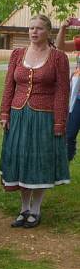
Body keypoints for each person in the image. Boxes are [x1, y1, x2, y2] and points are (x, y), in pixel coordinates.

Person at [0, 14, 70, 228]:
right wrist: (4, 113)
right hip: (19, 114)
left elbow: (62, 92)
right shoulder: (17, 54)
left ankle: (36, 209)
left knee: (38, 162)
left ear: (48, 31)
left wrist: (59, 122)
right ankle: (24, 208)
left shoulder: (58, 58)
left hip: (44, 116)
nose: (34, 32)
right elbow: (9, 86)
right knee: (21, 160)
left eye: (39, 28)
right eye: (31, 28)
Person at [55, 17, 80, 161]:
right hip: (78, 98)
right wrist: (63, 28)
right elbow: (61, 46)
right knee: (69, 134)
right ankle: (64, 165)